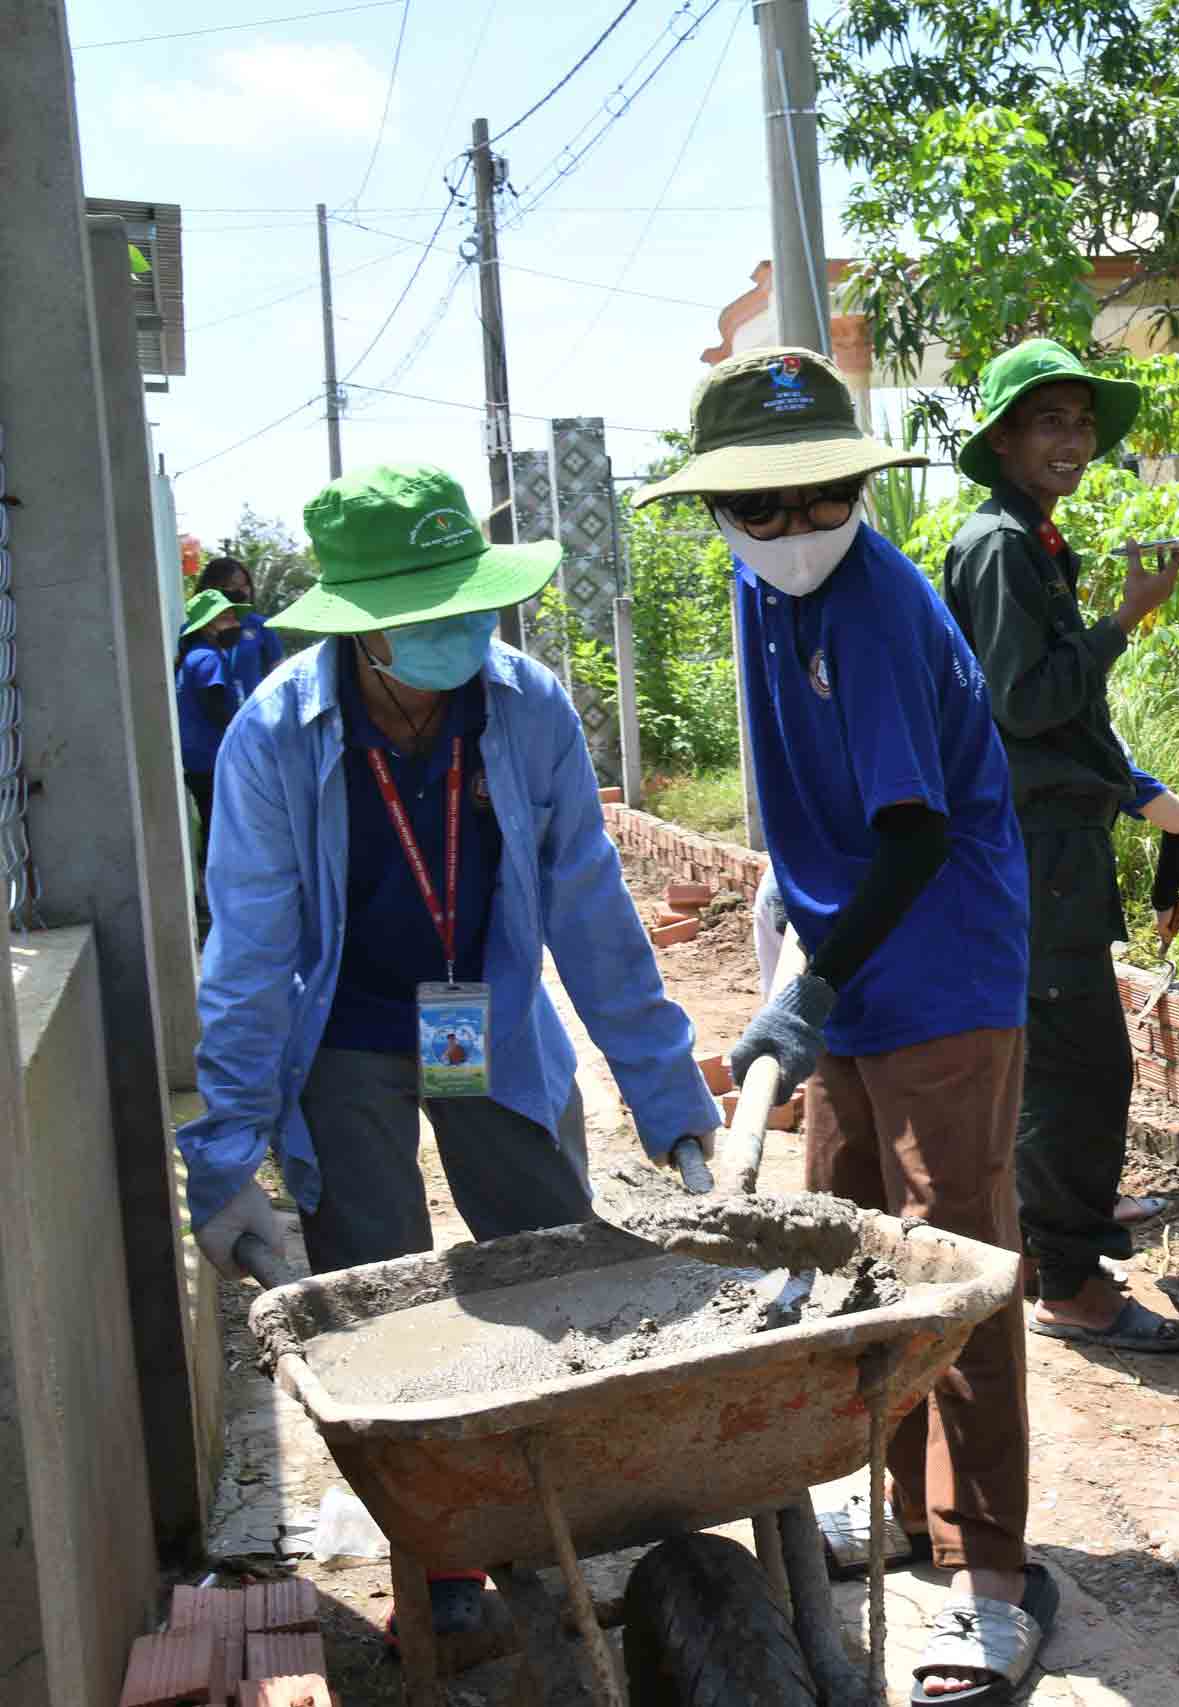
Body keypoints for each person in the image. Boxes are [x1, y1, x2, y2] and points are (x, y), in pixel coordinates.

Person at [176, 462, 722, 1650]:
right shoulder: (276, 737)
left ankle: (559, 1513)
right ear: (365, 628)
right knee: (382, 1292)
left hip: (473, 1016)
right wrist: (223, 1158)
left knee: (545, 1254)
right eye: (431, 615)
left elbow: (591, 907)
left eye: (471, 603)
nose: (463, 633)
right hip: (349, 1031)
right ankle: (439, 1557)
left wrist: (666, 1092)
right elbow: (253, 953)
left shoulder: (523, 708)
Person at [635, 346, 1048, 1703]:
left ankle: (989, 1567)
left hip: (940, 965)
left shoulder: (870, 605)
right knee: (844, 1237)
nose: (799, 529)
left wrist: (812, 988)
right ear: (720, 516)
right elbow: (809, 815)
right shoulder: (763, 603)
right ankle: (894, 1498)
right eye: (764, 508)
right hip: (850, 958)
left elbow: (917, 832)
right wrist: (793, 955)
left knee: (954, 1258)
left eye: (823, 497)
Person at [939, 337, 1179, 1353]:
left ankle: (1059, 1243)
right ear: (1002, 436)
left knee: (1072, 1063)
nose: (1074, 441)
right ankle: (1070, 1285)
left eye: (1082, 422)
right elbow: (1028, 700)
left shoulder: (1028, 540)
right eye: (1049, 421)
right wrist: (1125, 620)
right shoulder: (999, 545)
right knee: (1078, 1071)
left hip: (1057, 842)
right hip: (1036, 845)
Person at [1108, 761, 1179, 1224]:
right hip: (1066, 933)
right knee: (1091, 1072)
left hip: (980, 928)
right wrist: (1165, 897)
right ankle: (1092, 1201)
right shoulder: (1091, 737)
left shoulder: (966, 718)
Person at [173, 587, 248, 839]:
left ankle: (208, 876)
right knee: (220, 829)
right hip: (211, 757)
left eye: (234, 617)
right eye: (226, 618)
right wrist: (242, 735)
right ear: (207, 626)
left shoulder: (193, 657)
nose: (235, 624)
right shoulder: (208, 659)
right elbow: (214, 707)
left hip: (197, 760)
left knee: (210, 824)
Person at [200, 556, 286, 693]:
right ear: (211, 587)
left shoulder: (261, 626)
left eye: (245, 585)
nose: (243, 591)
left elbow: (280, 675)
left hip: (251, 710)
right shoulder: (195, 628)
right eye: (232, 584)